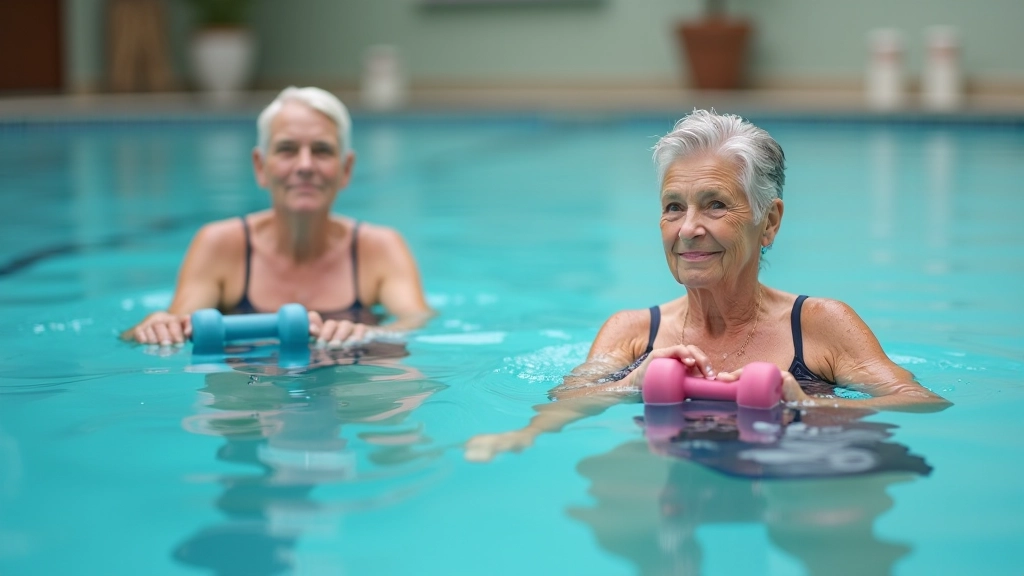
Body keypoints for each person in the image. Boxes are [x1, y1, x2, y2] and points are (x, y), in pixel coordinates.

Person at [465, 109, 949, 462]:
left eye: (715, 204)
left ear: (769, 222)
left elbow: (922, 403)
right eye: (674, 207)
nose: (688, 229)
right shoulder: (632, 333)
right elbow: (567, 401)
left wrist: (809, 405)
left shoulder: (820, 325)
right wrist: (628, 385)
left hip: (794, 477)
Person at [124, 86, 431, 347]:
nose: (305, 165)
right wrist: (155, 327)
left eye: (322, 150)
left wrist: (370, 334)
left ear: (346, 169)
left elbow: (416, 323)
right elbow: (176, 325)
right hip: (248, 386)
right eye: (287, 149)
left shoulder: (380, 248)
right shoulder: (220, 245)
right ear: (260, 166)